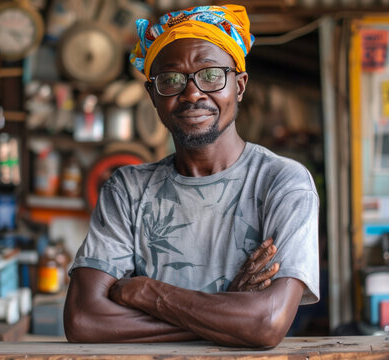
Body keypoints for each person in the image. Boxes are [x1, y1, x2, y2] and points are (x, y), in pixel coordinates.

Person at [64, 4, 319, 347]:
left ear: (240, 86)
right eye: (170, 80)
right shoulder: (127, 190)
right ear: (152, 95)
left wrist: (147, 292)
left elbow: (267, 322)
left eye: (211, 74)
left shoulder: (283, 184)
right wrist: (229, 316)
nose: (192, 93)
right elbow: (84, 320)